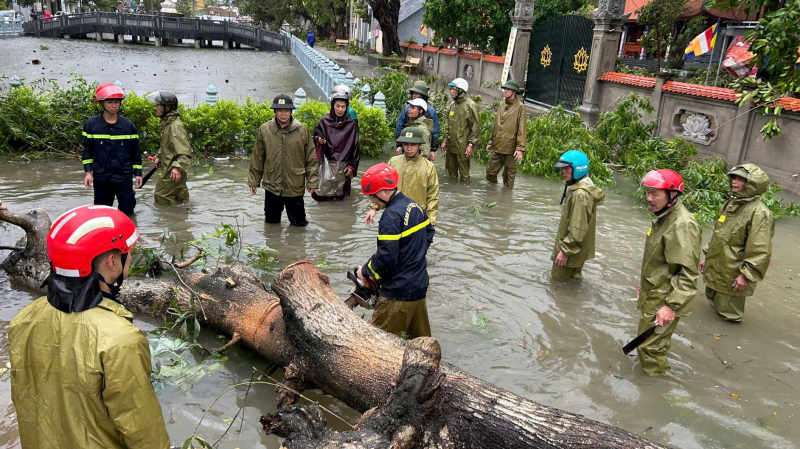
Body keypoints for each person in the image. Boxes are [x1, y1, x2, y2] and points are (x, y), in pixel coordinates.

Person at [9, 205, 171, 448]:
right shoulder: (121, 340)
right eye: (127, 252)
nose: (130, 257)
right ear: (112, 262)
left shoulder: (24, 318)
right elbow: (143, 432)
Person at [636, 169, 701, 375]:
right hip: (654, 292)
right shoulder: (664, 218)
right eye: (648, 193)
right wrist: (643, 285)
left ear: (672, 195)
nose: (649, 198)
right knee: (648, 345)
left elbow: (687, 273)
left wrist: (671, 306)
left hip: (665, 298)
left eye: (655, 194)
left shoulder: (682, 225)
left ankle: (654, 386)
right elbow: (658, 261)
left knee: (650, 349)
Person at [358, 163, 434, 339]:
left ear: (385, 191)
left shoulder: (391, 216)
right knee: (421, 345)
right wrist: (413, 257)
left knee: (377, 345)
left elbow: (386, 257)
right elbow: (429, 232)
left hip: (397, 295)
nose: (373, 201)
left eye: (374, 196)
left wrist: (366, 270)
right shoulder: (414, 206)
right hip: (418, 287)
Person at [700, 164, 775, 322]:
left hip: (734, 273)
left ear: (752, 184)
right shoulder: (731, 204)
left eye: (741, 179)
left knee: (729, 314)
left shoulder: (759, 213)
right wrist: (707, 257)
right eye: (734, 178)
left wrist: (746, 275)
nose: (734, 182)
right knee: (713, 301)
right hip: (718, 266)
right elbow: (720, 234)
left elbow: (760, 249)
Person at [249, 94, 318, 226]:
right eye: (279, 110)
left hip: (295, 185)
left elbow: (311, 158)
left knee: (299, 225)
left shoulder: (302, 130)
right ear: (274, 111)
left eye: (286, 110)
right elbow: (258, 157)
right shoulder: (265, 130)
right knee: (271, 224)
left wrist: (312, 181)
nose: (283, 114)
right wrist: (254, 180)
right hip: (272, 185)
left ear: (291, 111)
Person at [82, 83, 143, 216]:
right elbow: (87, 151)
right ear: (101, 103)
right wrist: (88, 173)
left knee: (128, 210)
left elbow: (135, 152)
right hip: (102, 175)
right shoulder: (91, 125)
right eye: (110, 102)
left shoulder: (128, 126)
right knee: (101, 211)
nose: (114, 105)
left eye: (117, 102)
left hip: (124, 175)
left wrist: (138, 173)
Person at [367, 126, 439, 227]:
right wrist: (374, 208)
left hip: (417, 217)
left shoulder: (429, 167)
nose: (409, 148)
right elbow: (382, 188)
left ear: (419, 144)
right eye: (405, 144)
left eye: (413, 144)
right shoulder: (393, 162)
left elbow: (432, 197)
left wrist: (430, 222)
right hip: (394, 214)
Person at [550, 150, 604, 282]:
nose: (563, 172)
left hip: (569, 253)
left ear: (578, 169)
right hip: (576, 251)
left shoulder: (580, 195)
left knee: (557, 284)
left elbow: (578, 227)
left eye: (567, 168)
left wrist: (565, 251)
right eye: (562, 168)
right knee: (572, 283)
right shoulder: (584, 188)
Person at [312, 89, 360, 201]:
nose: (340, 109)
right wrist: (319, 140)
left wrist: (352, 166)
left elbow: (355, 146)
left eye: (343, 107)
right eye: (337, 106)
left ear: (346, 107)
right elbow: (314, 137)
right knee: (322, 193)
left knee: (341, 195)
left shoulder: (351, 124)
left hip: (344, 165)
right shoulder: (324, 121)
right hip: (326, 163)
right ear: (333, 105)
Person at [147, 91, 192, 206]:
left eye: (158, 105)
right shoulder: (167, 123)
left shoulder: (175, 126)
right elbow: (167, 145)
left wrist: (177, 168)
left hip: (173, 169)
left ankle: (170, 217)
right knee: (180, 197)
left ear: (166, 108)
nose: (156, 108)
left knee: (161, 196)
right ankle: (183, 215)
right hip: (171, 167)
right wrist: (159, 157)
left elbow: (184, 152)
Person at [485, 80, 527, 188]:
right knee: (490, 172)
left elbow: (522, 129)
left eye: (508, 89)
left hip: (511, 148)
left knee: (509, 177)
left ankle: (506, 196)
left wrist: (520, 148)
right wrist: (491, 141)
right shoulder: (501, 105)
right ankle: (493, 192)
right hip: (498, 145)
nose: (505, 91)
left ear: (514, 92)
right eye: (504, 89)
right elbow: (496, 125)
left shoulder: (520, 107)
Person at [441, 77, 480, 183]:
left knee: (464, 174)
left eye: (453, 89)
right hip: (451, 145)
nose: (451, 91)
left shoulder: (470, 106)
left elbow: (475, 127)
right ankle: (452, 190)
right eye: (450, 89)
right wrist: (445, 141)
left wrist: (471, 145)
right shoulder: (451, 106)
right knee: (450, 173)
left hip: (463, 146)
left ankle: (464, 191)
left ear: (460, 90)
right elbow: (449, 126)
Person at [395, 81, 440, 160]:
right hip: (407, 143)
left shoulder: (431, 111)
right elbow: (400, 126)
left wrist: (433, 149)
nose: (414, 95)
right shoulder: (407, 108)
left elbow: (435, 131)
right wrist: (399, 145)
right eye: (413, 93)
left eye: (416, 93)